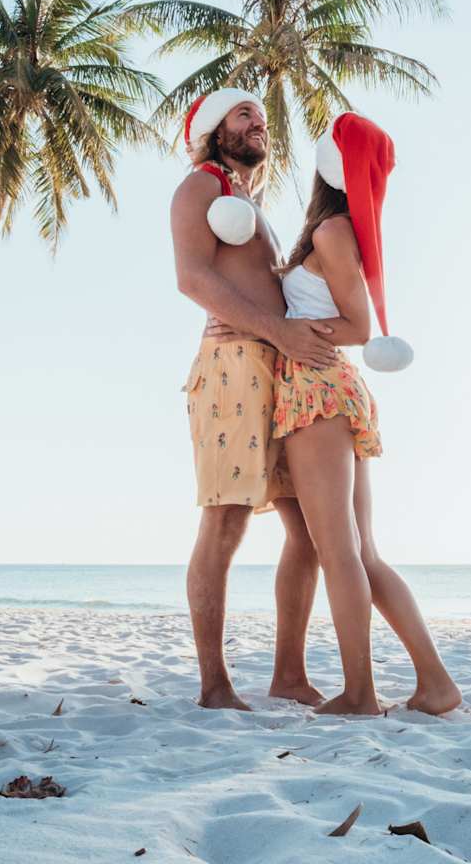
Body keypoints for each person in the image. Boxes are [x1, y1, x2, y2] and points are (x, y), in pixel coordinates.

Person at [271, 112, 461, 716]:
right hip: (329, 388)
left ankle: (360, 693)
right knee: (362, 552)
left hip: (316, 389)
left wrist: (288, 328)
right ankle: (435, 686)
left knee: (342, 551)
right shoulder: (337, 229)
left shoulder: (331, 230)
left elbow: (358, 326)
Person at [169, 87, 337, 710]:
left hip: (281, 366)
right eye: (244, 115)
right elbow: (192, 279)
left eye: (263, 118)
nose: (258, 125)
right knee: (225, 521)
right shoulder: (200, 187)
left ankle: (288, 676)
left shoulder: (247, 200)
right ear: (215, 130)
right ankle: (215, 685)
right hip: (232, 363)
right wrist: (278, 332)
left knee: (310, 527)